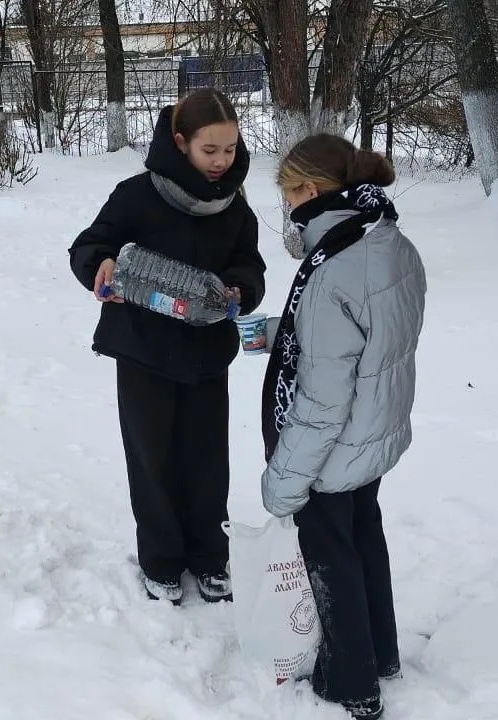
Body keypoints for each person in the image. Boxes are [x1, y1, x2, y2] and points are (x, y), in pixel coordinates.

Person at [68, 88, 266, 606]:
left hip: (204, 353)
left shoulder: (234, 206)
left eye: (230, 148)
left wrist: (241, 289)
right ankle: (160, 561)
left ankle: (209, 557)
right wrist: (101, 265)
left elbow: (249, 263)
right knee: (151, 459)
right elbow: (90, 245)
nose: (222, 161)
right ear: (180, 143)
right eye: (210, 150)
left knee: (206, 459)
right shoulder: (137, 195)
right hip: (143, 351)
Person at [260, 134, 426, 720]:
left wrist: (285, 476)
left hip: (332, 451)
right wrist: (288, 333)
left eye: (286, 195)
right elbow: (369, 339)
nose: (286, 209)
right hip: (371, 438)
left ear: (308, 191)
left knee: (331, 557)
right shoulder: (387, 240)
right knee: (363, 543)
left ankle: (351, 685)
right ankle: (380, 654)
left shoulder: (331, 269)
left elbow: (323, 399)